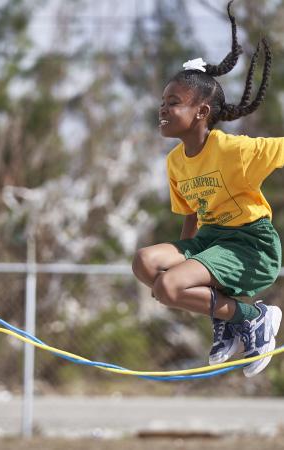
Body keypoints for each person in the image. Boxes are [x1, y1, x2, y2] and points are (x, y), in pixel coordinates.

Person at [132, 0, 283, 378]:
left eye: (173, 103)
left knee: (167, 288)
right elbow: (190, 220)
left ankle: (253, 317)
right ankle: (229, 317)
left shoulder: (235, 150)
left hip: (250, 246)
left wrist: (180, 279)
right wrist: (186, 261)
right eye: (162, 102)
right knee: (145, 263)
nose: (162, 109)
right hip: (211, 242)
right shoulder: (175, 162)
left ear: (201, 112)